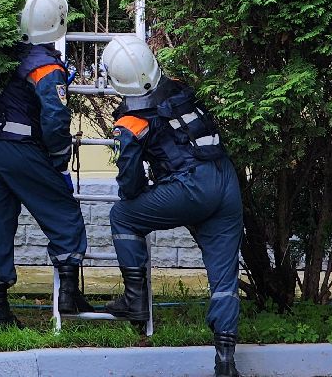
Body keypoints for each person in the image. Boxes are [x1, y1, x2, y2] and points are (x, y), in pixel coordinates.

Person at [101, 36, 244, 377]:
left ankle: (134, 300)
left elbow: (130, 185)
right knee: (224, 279)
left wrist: (151, 190)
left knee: (122, 216)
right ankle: (225, 361)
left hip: (191, 187)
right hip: (227, 182)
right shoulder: (180, 88)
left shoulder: (132, 121)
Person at [0, 0, 96, 326]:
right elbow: (54, 115)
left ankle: (0, 313)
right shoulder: (44, 64)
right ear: (56, 23)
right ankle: (69, 294)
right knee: (63, 211)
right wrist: (59, 156)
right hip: (20, 148)